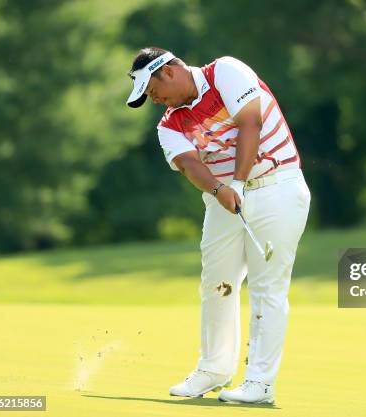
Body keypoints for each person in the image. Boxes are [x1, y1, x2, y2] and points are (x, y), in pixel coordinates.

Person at [126, 47, 310, 404]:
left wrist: (237, 183)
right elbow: (190, 165)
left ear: (169, 71)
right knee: (217, 284)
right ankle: (214, 369)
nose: (153, 99)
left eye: (152, 90)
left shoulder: (224, 72)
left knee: (267, 288)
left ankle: (260, 383)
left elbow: (250, 121)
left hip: (277, 187)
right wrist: (220, 189)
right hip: (223, 199)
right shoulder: (168, 124)